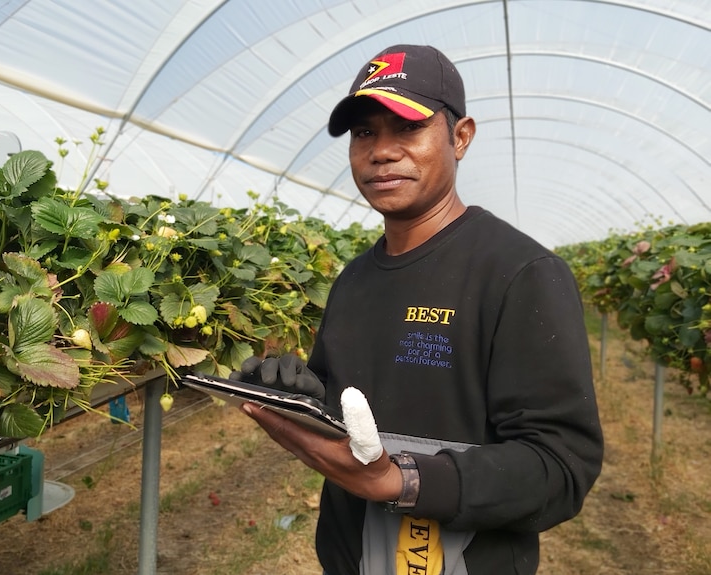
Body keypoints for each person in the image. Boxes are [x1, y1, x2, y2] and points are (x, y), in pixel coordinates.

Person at [234, 44, 604, 575]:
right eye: (365, 133)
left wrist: (402, 481)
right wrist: (303, 396)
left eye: (406, 128)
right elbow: (354, 416)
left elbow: (562, 466)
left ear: (460, 137)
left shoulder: (520, 273)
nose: (381, 151)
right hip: (352, 558)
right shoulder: (354, 280)